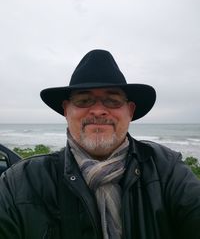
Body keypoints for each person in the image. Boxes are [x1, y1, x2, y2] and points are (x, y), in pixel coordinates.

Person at [0, 49, 200, 239]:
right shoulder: (19, 183)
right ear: (66, 110)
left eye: (112, 101)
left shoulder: (167, 170)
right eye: (84, 100)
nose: (97, 110)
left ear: (130, 111)